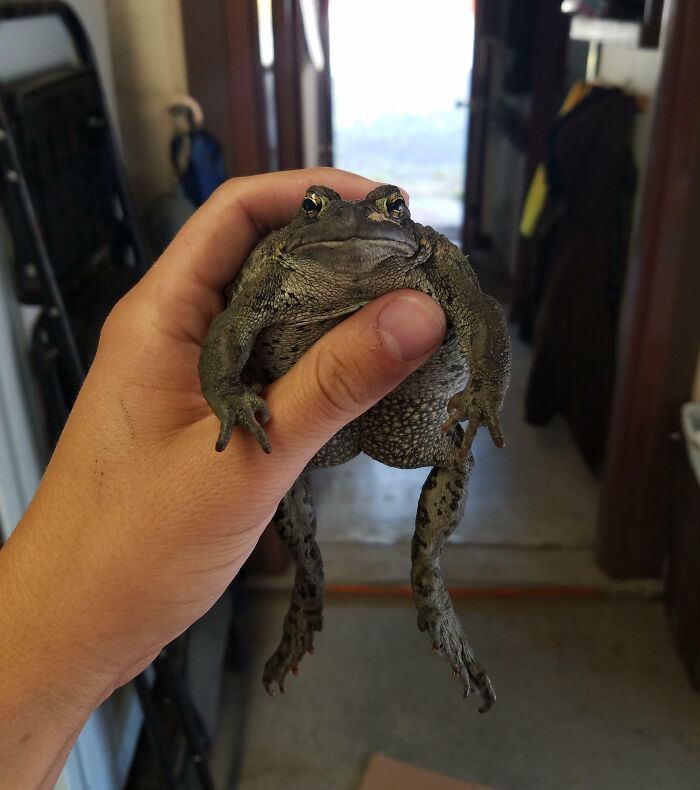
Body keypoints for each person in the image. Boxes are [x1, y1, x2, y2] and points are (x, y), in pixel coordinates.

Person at [0, 168, 447, 788]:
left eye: (388, 207)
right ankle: (307, 597)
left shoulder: (420, 263)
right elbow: (228, 333)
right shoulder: (278, 268)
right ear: (302, 220)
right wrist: (230, 398)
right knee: (297, 519)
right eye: (316, 207)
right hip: (283, 393)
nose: (349, 221)